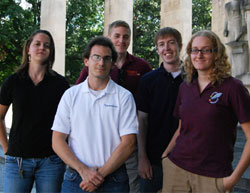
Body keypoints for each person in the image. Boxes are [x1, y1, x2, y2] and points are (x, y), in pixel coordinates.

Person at [161, 30, 250, 193]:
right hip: (176, 170)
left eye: (206, 50)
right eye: (195, 50)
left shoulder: (233, 87)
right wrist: (166, 156)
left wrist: (233, 179)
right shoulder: (185, 87)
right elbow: (182, 128)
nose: (199, 55)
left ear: (217, 54)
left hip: (213, 177)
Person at [51, 36, 138, 193]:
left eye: (107, 58)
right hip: (76, 179)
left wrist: (99, 175)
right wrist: (84, 171)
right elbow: (57, 140)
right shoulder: (70, 95)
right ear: (86, 61)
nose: (101, 63)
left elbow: (129, 143)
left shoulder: (124, 97)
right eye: (96, 57)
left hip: (114, 181)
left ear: (112, 64)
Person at [75, 20, 152, 193]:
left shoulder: (143, 66)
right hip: (103, 138)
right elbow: (80, 95)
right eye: (117, 36)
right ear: (109, 37)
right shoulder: (94, 66)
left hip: (130, 137)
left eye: (126, 37)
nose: (121, 40)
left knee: (132, 184)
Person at [0, 30, 69, 193]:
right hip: (18, 161)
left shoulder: (60, 84)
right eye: (37, 44)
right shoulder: (13, 81)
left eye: (47, 45)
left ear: (51, 51)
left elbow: (70, 121)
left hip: (51, 161)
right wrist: (6, 148)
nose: (42, 48)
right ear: (28, 49)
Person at [136, 27, 183, 193]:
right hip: (154, 160)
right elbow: (142, 120)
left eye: (171, 43)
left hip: (187, 160)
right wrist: (142, 157)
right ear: (157, 49)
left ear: (180, 46)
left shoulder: (194, 79)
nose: (167, 48)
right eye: (161, 44)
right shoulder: (148, 80)